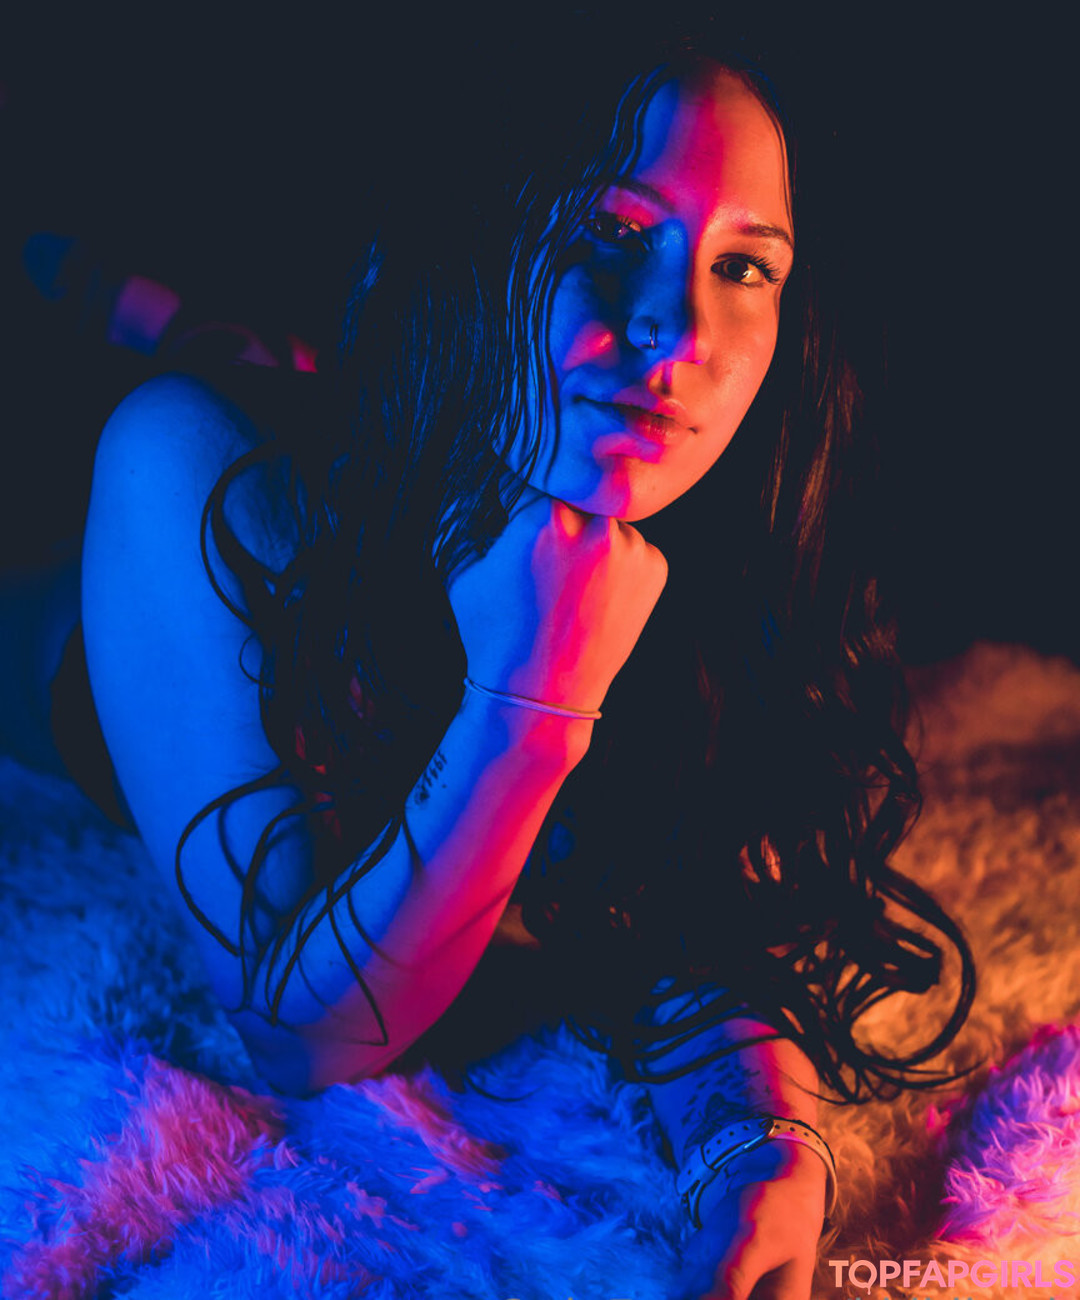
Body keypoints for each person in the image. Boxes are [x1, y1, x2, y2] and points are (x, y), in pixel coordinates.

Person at [67, 22, 974, 1300]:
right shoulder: (197, 467)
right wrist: (532, 693)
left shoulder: (715, 528)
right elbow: (305, 1035)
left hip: (390, 407)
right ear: (479, 233)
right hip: (118, 545)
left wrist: (764, 1146)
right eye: (611, 232)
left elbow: (705, 908)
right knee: (179, 358)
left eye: (744, 266)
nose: (681, 331)